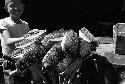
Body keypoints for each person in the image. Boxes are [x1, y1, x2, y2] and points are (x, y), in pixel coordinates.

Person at [0, 0, 30, 84]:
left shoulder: (25, 24)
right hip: (10, 61)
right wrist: (26, 38)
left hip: (24, 60)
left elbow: (28, 44)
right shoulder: (3, 22)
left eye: (18, 4)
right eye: (12, 5)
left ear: (23, 7)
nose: (16, 8)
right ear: (6, 8)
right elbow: (8, 41)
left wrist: (35, 40)